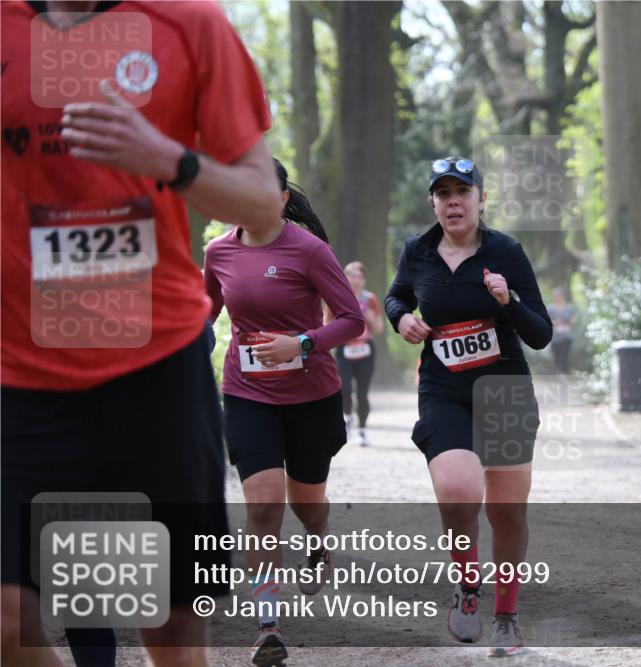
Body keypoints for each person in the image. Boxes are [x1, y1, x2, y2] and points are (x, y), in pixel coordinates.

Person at [1, 2, 281, 666]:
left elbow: (263, 202)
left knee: (172, 634)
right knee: (8, 623)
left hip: (155, 366)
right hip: (18, 374)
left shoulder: (190, 24)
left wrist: (168, 159)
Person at [385, 156, 552, 657]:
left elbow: (540, 333)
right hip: (445, 391)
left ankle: (506, 614)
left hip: (504, 390)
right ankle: (466, 585)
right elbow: (396, 297)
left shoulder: (507, 252)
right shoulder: (417, 251)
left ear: (482, 198)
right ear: (433, 203)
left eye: (463, 191)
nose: (453, 201)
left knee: (506, 512)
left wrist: (509, 302)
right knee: (458, 492)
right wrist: (400, 319)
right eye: (443, 193)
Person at [203, 158, 364, 666]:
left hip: (311, 397)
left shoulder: (309, 250)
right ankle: (267, 625)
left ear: (282, 199)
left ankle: (318, 542)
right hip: (248, 394)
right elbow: (205, 316)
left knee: (307, 501)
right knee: (264, 506)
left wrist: (302, 343)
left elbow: (352, 321)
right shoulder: (217, 252)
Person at [334, 261, 384, 447]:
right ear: (344, 277)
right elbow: (326, 322)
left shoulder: (370, 299)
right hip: (344, 349)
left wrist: (371, 319)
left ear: (364, 280)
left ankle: (362, 430)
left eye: (359, 276)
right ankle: (348, 418)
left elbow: (379, 328)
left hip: (365, 349)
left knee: (362, 393)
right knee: (345, 390)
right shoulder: (337, 297)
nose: (355, 280)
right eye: (351, 275)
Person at [547, 287, 577, 376]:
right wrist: (556, 322)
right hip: (555, 337)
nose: (557, 297)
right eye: (555, 296)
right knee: (556, 356)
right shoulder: (550, 308)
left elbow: (573, 320)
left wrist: (565, 321)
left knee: (565, 355)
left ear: (562, 296)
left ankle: (564, 374)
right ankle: (558, 372)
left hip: (566, 336)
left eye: (558, 296)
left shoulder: (569, 307)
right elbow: (547, 320)